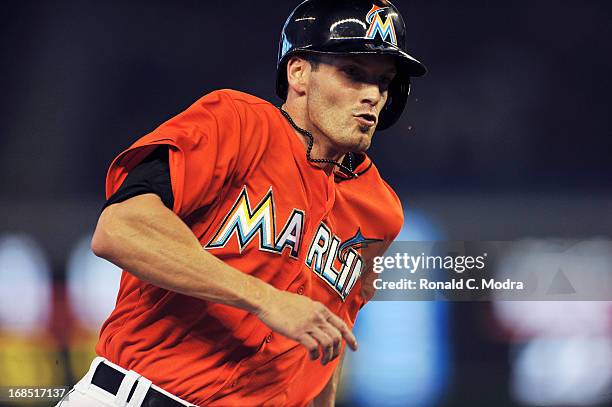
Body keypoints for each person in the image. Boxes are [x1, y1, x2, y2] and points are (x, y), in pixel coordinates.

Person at [57, 0, 426, 406]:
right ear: (299, 72)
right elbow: (119, 230)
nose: (372, 95)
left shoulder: (379, 210)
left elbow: (325, 342)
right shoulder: (237, 123)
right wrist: (264, 298)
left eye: (384, 81)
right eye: (353, 73)